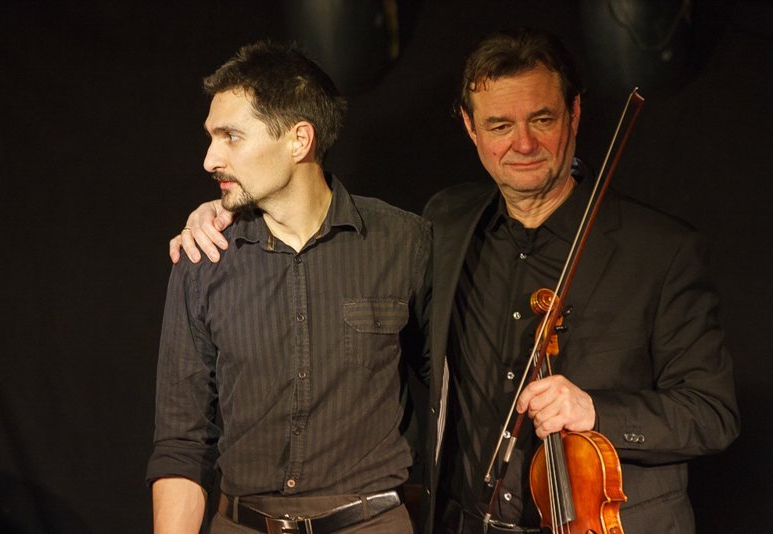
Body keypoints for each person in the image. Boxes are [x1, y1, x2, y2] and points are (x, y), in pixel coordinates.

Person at [169, 29, 740, 534]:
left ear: (574, 114)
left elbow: (713, 415)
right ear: (470, 127)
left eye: (542, 119)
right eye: (499, 125)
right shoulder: (443, 225)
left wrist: (596, 411)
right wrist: (226, 209)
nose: (523, 143)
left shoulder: (661, 250)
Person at [147, 40, 430, 534]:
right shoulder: (203, 257)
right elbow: (181, 442)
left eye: (231, 137)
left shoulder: (403, 241)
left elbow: (453, 389)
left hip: (370, 521)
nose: (209, 159)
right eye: (211, 137)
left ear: (299, 140)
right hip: (243, 521)